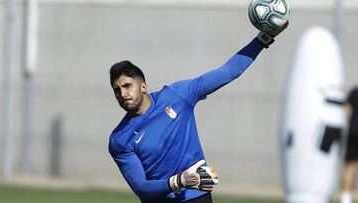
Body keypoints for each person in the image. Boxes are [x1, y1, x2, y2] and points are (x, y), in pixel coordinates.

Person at [108, 21, 288, 202]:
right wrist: (178, 181)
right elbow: (141, 188)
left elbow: (228, 71)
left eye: (127, 86)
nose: (122, 94)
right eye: (117, 90)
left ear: (143, 86)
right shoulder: (119, 139)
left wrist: (263, 38)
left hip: (196, 196)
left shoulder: (176, 95)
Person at [340, 86, 358, 203]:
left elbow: (346, 109)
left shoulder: (355, 92)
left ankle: (345, 199)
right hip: (354, 132)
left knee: (350, 167)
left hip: (354, 131)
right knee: (350, 167)